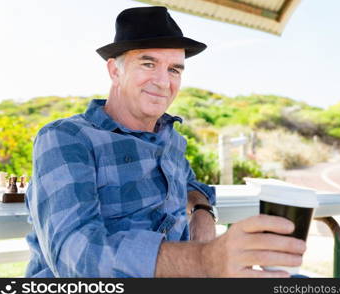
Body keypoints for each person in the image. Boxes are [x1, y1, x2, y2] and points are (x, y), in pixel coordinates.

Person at [25, 6, 306, 278]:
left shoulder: (169, 139)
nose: (163, 81)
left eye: (174, 70)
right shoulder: (66, 139)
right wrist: (206, 259)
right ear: (114, 71)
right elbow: (75, 256)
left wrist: (203, 212)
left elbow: (191, 184)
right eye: (148, 64)